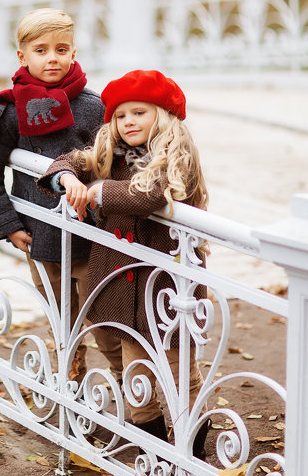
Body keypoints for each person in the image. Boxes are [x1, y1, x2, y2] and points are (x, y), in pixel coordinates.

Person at [38, 69, 211, 460]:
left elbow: (147, 195)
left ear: (162, 117)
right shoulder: (109, 155)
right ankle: (152, 448)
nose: (128, 122)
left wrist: (99, 189)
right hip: (121, 288)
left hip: (168, 290)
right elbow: (67, 160)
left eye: (139, 113)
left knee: (179, 372)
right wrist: (67, 178)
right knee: (138, 376)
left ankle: (193, 445)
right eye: (120, 115)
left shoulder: (175, 158)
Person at [0, 7, 123, 384]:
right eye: (41, 50)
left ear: (74, 53)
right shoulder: (9, 111)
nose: (52, 58)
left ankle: (133, 394)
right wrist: (7, 224)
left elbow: (115, 165)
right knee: (62, 319)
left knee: (104, 320)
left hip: (92, 238)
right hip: (40, 238)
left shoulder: (93, 107)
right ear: (22, 56)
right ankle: (71, 386)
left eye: (62, 49)